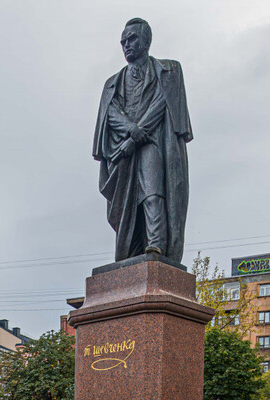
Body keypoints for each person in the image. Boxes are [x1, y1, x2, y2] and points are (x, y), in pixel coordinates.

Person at [93, 18, 193, 264]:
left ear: (146, 40)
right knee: (127, 210)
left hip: (152, 142)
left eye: (132, 39)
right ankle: (133, 251)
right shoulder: (112, 84)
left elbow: (162, 102)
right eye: (123, 41)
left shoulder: (169, 71)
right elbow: (111, 113)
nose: (126, 45)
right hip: (122, 149)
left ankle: (155, 245)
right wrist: (130, 130)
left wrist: (138, 133)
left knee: (152, 192)